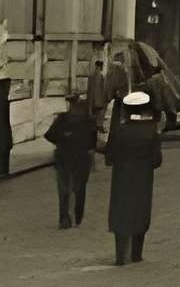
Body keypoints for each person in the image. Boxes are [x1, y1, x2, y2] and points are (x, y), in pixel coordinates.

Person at [104, 88, 164, 265]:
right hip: (143, 179)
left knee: (120, 213)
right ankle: (137, 254)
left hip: (121, 179)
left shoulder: (119, 131)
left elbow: (110, 158)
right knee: (140, 212)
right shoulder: (152, 131)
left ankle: (120, 255)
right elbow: (156, 161)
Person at [44, 90, 98, 228]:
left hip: (63, 157)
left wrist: (62, 140)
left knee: (63, 190)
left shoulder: (62, 119)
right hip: (81, 158)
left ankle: (64, 219)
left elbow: (49, 135)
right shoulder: (89, 121)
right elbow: (92, 143)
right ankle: (77, 217)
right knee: (79, 189)